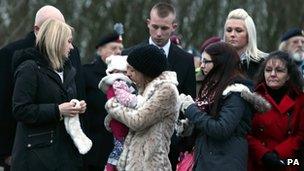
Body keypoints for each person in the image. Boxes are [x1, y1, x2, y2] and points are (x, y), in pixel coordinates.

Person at [0, 5, 85, 171]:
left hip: (64, 153)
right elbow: (11, 108)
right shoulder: (19, 60)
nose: (71, 46)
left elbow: (73, 93)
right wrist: (6, 152)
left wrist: (76, 106)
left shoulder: (70, 60)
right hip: (33, 153)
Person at [122, 3, 196, 168]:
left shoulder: (185, 60)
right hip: (133, 142)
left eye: (164, 28)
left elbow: (188, 99)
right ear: (148, 23)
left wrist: (179, 139)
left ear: (174, 27)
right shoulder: (129, 55)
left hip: (168, 146)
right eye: (155, 27)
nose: (159, 33)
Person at [178, 42, 271, 170]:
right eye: (202, 61)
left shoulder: (236, 93)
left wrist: (190, 109)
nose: (202, 65)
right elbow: (208, 123)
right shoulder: (213, 88)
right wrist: (189, 126)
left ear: (220, 63)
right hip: (209, 160)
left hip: (225, 163)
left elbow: (221, 129)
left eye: (206, 61)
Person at [105, 45, 179, 170]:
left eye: (132, 70)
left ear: (145, 70)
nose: (128, 74)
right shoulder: (143, 87)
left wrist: (112, 105)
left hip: (151, 165)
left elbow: (138, 121)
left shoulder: (167, 90)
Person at [247, 51, 304, 171]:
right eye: (268, 70)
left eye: (279, 70)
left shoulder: (300, 99)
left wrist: (279, 154)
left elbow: (300, 134)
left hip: (289, 161)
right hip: (259, 161)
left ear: (288, 75)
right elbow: (246, 133)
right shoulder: (253, 97)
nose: (272, 74)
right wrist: (264, 154)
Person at [82, 32, 123, 171]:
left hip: (118, 147)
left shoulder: (125, 76)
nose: (118, 52)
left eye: (120, 49)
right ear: (100, 50)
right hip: (95, 148)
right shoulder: (87, 73)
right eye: (113, 48)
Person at [98, 55, 140, 171]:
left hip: (118, 119)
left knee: (119, 144)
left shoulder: (116, 84)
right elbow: (126, 99)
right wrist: (138, 100)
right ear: (118, 71)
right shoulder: (119, 83)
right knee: (121, 145)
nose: (129, 74)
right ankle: (113, 167)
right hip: (119, 121)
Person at [224, 8, 267, 79]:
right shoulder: (218, 62)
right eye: (229, 30)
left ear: (249, 34)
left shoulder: (263, 64)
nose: (232, 34)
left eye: (238, 30)